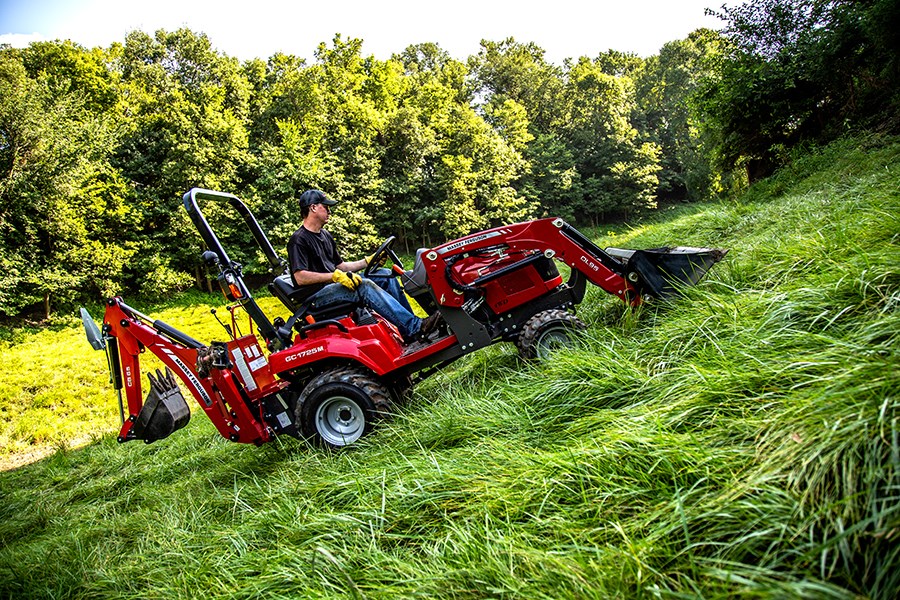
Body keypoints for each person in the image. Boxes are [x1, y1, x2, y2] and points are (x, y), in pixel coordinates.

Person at [287, 189, 442, 343]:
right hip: (317, 298)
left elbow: (340, 266)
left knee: (385, 275)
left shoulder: (325, 235)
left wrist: (367, 261)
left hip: (333, 287)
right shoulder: (298, 240)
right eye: (325, 206)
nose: (329, 210)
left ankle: (409, 331)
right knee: (364, 286)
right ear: (313, 207)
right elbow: (300, 277)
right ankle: (415, 326)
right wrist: (334, 276)